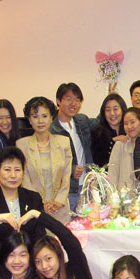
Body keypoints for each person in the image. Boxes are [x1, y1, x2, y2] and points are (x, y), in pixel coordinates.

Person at [0, 147, 45, 259]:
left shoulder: (34, 198)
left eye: (17, 170)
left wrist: (28, 259)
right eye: (7, 169)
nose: (13, 175)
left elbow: (39, 235)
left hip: (30, 261)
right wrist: (10, 260)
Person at [17, 97, 72, 224]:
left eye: (44, 116)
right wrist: (39, 203)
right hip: (34, 210)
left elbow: (66, 175)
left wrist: (58, 201)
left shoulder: (63, 142)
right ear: (29, 120)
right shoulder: (21, 145)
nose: (40, 121)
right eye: (35, 116)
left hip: (59, 208)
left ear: (51, 118)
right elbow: (24, 178)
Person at [50, 83, 99, 211]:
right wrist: (71, 169)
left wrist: (110, 98)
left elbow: (101, 121)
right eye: (68, 99)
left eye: (77, 100)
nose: (73, 104)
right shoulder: (52, 129)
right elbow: (50, 162)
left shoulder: (81, 121)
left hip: (88, 186)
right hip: (68, 190)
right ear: (58, 101)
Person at [108, 107, 140, 190]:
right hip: (123, 194)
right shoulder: (120, 145)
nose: (129, 126)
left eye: (132, 122)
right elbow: (112, 174)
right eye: (126, 123)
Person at [91, 94, 128, 168]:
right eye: (108, 110)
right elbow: (98, 163)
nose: (112, 113)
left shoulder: (130, 132)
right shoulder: (98, 134)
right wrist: (113, 141)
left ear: (123, 110)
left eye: (115, 109)